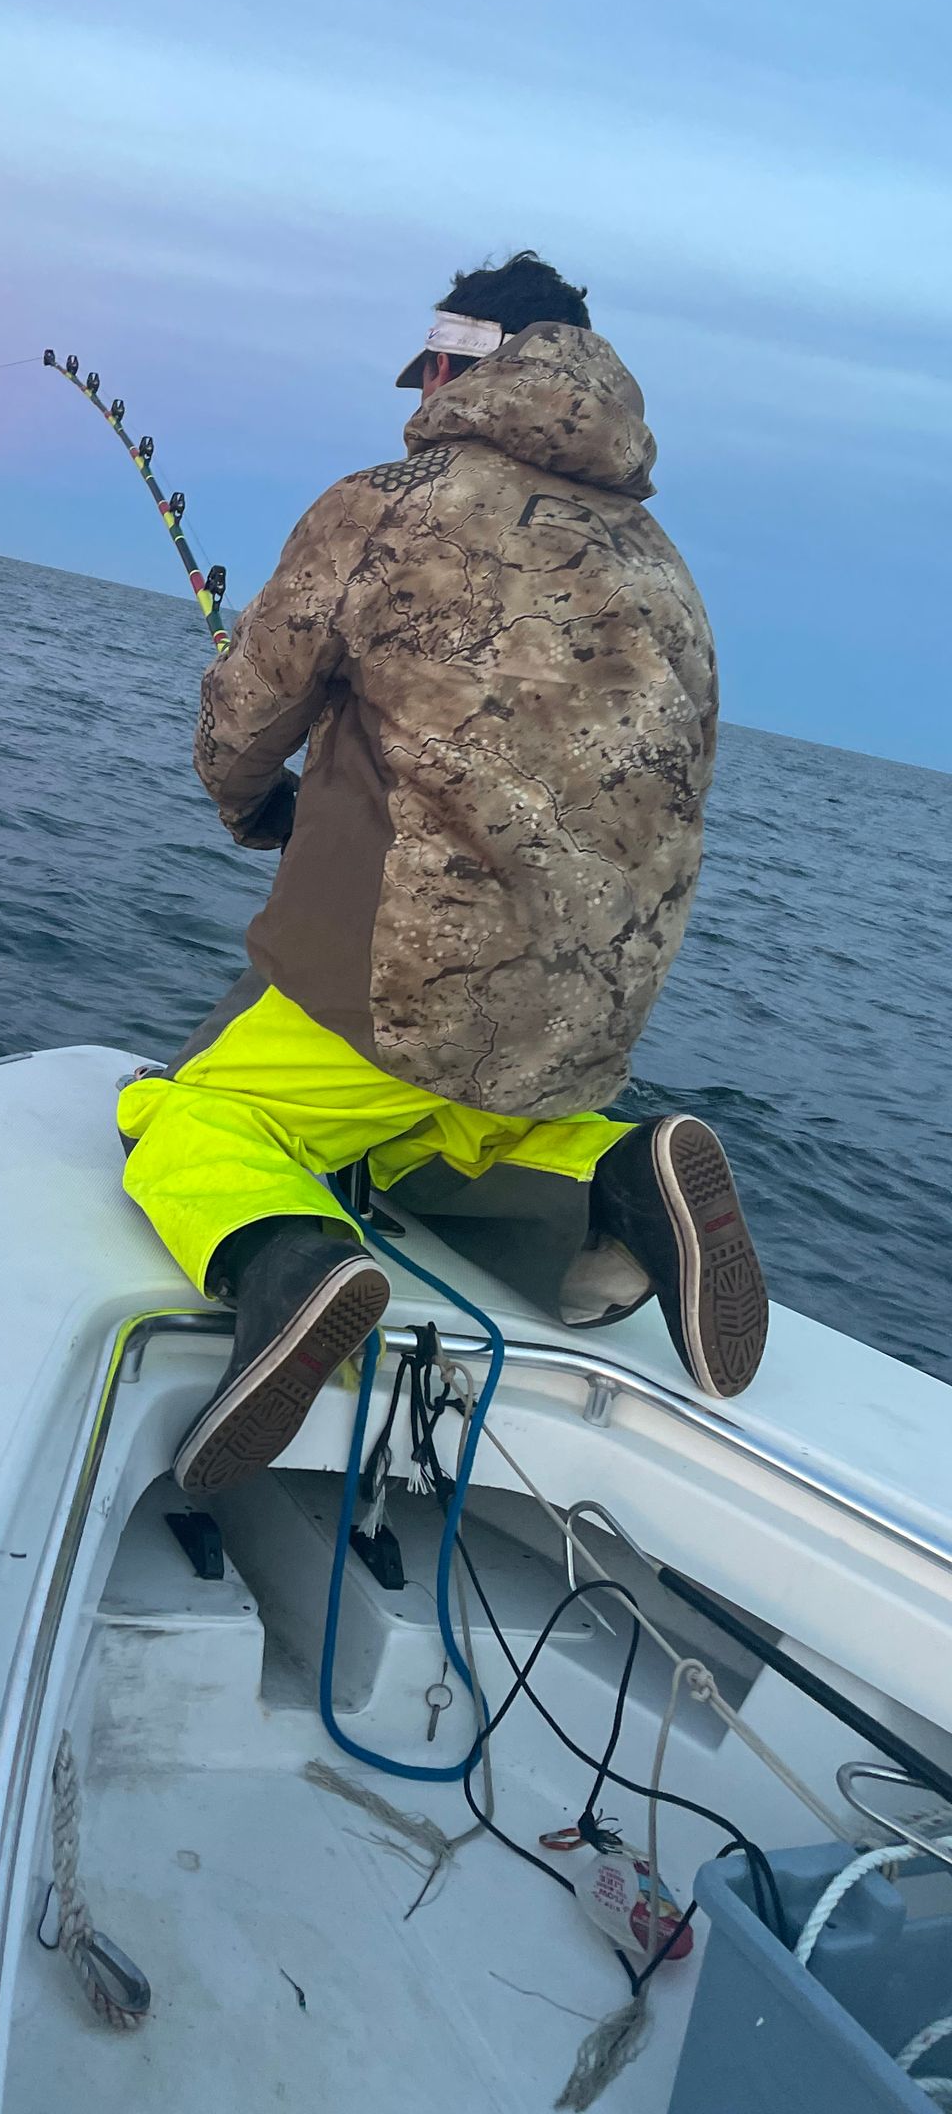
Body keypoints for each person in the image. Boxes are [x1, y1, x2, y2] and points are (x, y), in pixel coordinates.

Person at [120, 251, 769, 1495]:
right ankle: (616, 1168)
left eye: (428, 363)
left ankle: (287, 1257)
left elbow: (248, 717)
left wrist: (253, 805)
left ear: (468, 361)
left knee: (189, 1114)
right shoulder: (664, 570)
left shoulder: (385, 504)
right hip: (575, 1027)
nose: (414, 386)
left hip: (385, 993)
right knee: (446, 1133)